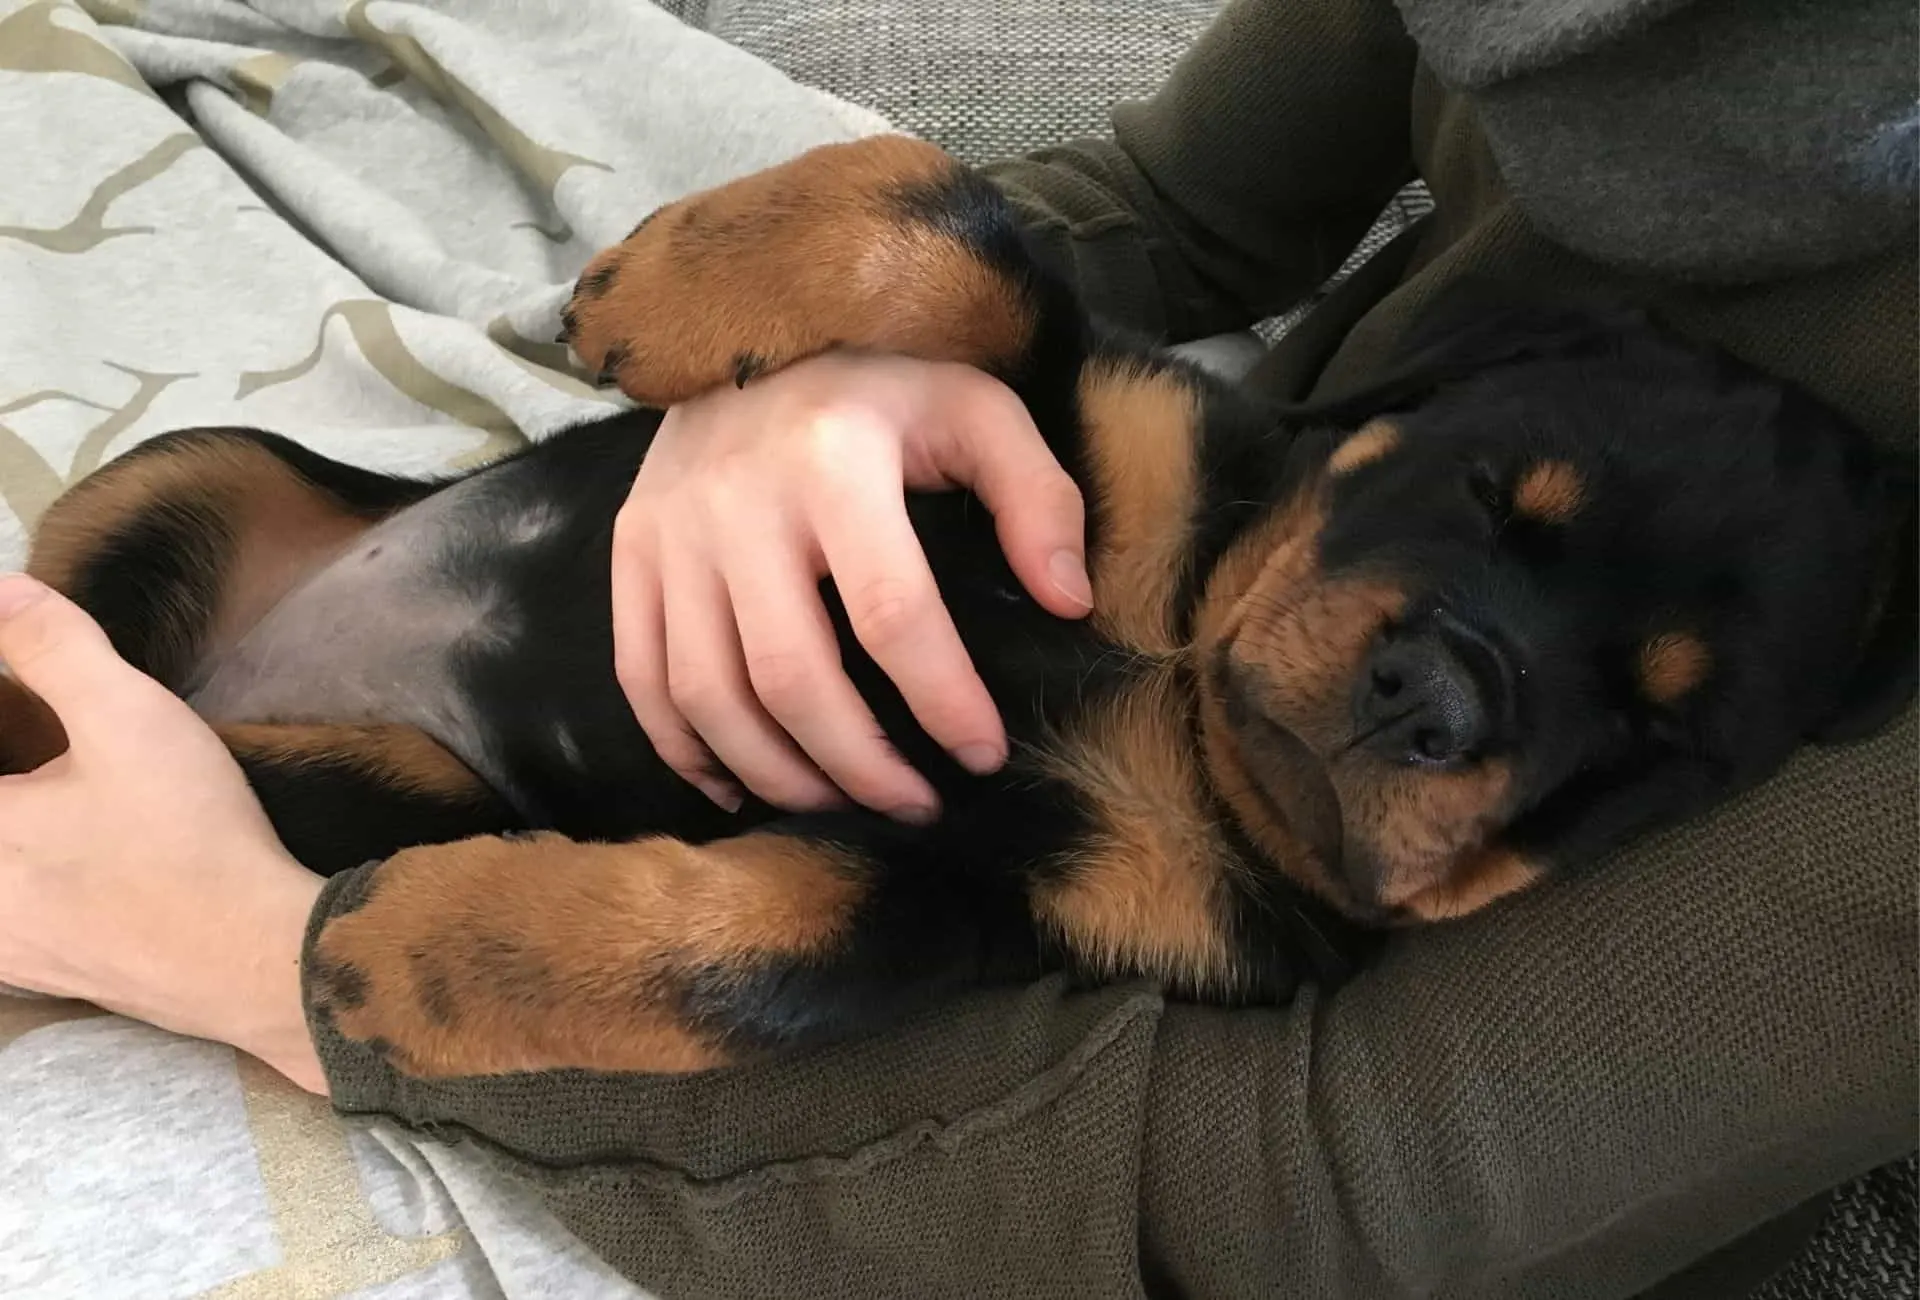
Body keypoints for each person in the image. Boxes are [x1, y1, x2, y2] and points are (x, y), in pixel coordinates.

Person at [2, 0, 1913, 1295]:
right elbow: (1157, 218)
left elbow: (1277, 1185)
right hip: (387, 554)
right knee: (174, 505)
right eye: (1484, 517)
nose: (1444, 685)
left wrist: (263, 958)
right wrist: (827, 356)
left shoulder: (1227, 893)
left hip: (1224, 1170)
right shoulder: (1195, 474)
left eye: (1633, 730)